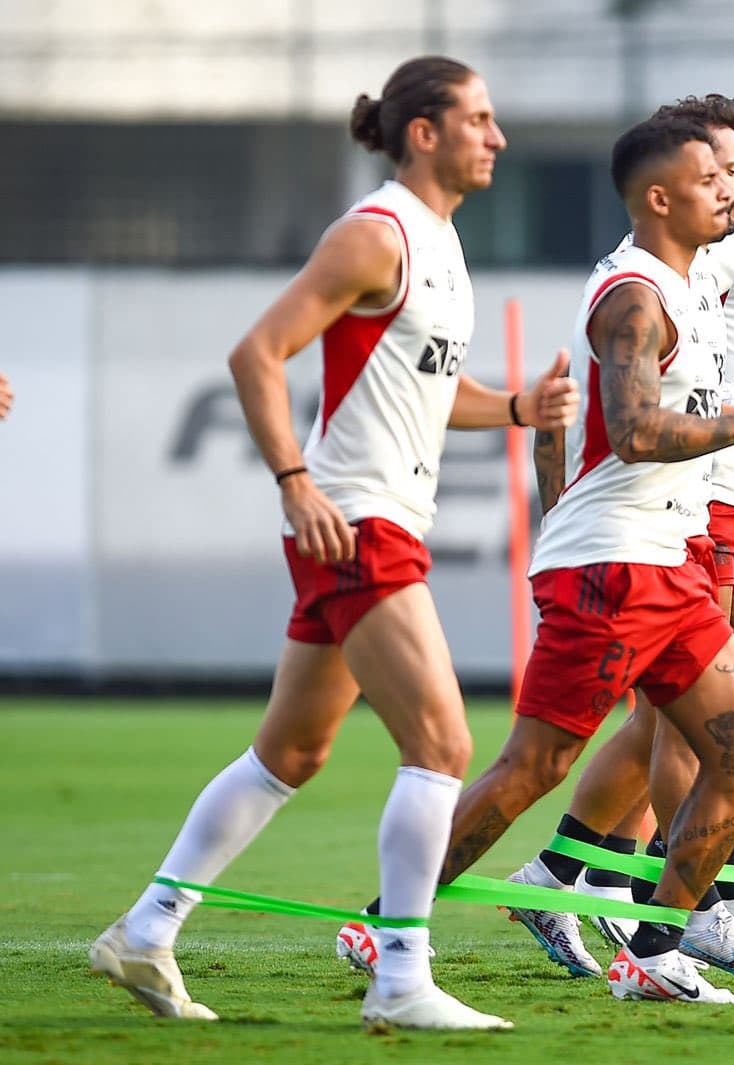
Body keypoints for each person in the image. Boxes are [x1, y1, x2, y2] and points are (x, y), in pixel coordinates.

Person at [89, 56, 579, 1031]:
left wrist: (520, 406)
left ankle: (144, 931)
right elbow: (255, 354)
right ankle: (401, 980)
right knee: (442, 741)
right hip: (355, 521)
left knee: (294, 751)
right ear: (424, 133)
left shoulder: (438, 242)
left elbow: (435, 398)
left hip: (368, 521)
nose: (499, 137)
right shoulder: (375, 234)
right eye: (479, 119)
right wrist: (294, 480)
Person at [342, 113, 734, 1007]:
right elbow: (640, 430)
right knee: (534, 767)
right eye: (713, 176)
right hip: (611, 568)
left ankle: (653, 949)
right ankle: (386, 923)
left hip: (671, 560)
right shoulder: (636, 296)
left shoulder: (687, 288)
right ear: (659, 197)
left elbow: (605, 419)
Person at [498, 91, 734, 977]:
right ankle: (701, 905)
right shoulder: (659, 271)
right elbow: (607, 406)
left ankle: (589, 887)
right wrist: (567, 508)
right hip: (686, 517)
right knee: (667, 731)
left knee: (722, 725)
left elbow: (713, 390)